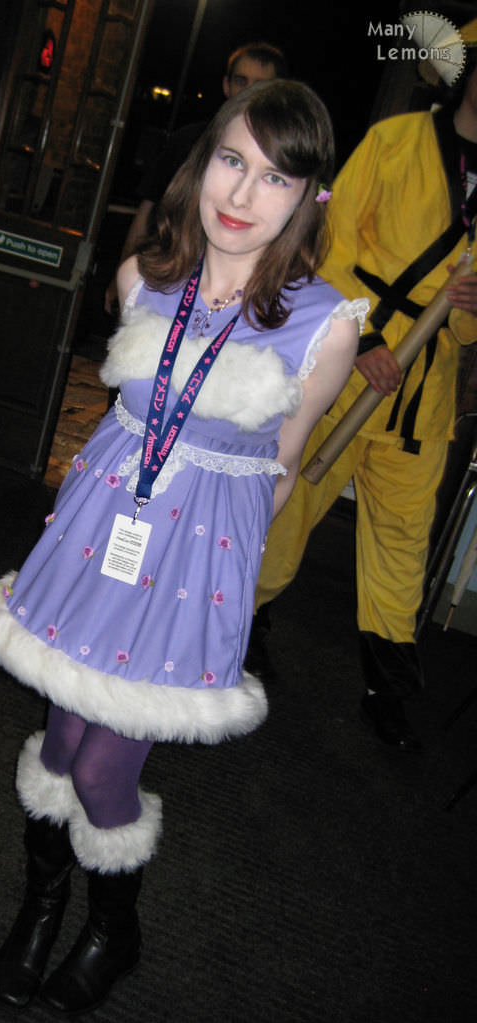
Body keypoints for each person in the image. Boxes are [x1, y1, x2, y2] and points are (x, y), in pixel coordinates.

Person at [0, 80, 364, 1016]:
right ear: (203, 162)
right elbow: (127, 420)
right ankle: (44, 902)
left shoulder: (327, 326)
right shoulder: (142, 277)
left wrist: (224, 584)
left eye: (275, 177)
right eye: (232, 160)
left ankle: (115, 929)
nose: (243, 193)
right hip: (100, 531)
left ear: (307, 196)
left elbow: (280, 471)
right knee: (60, 744)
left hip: (193, 564)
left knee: (105, 766)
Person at [247, 56, 477, 751]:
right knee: (290, 507)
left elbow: (468, 329)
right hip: (348, 372)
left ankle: (388, 687)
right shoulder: (395, 141)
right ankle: (238, 624)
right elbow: (332, 245)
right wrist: (367, 337)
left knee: (403, 542)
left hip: (423, 400)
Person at [104, 42, 287, 314]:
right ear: (226, 85)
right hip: (167, 285)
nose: (248, 92)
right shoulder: (187, 142)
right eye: (241, 81)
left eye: (260, 85)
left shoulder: (284, 163)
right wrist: (122, 276)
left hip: (236, 303)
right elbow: (146, 214)